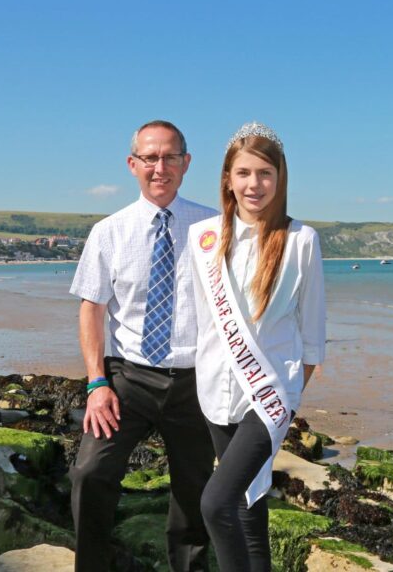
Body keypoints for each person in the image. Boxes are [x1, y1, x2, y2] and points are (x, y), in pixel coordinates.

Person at [69, 120, 219, 572]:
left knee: (194, 493)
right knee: (90, 474)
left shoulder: (215, 227)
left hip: (196, 381)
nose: (160, 167)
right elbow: (91, 310)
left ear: (186, 163)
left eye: (170, 157)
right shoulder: (109, 231)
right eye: (150, 158)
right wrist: (97, 383)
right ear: (132, 165)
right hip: (127, 379)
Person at [186, 121, 326, 572]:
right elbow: (197, 318)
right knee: (249, 507)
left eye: (265, 173)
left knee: (215, 503)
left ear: (280, 178)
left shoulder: (301, 241)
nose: (254, 184)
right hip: (214, 392)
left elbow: (313, 334)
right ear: (227, 178)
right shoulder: (203, 237)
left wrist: (286, 400)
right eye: (244, 173)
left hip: (267, 399)